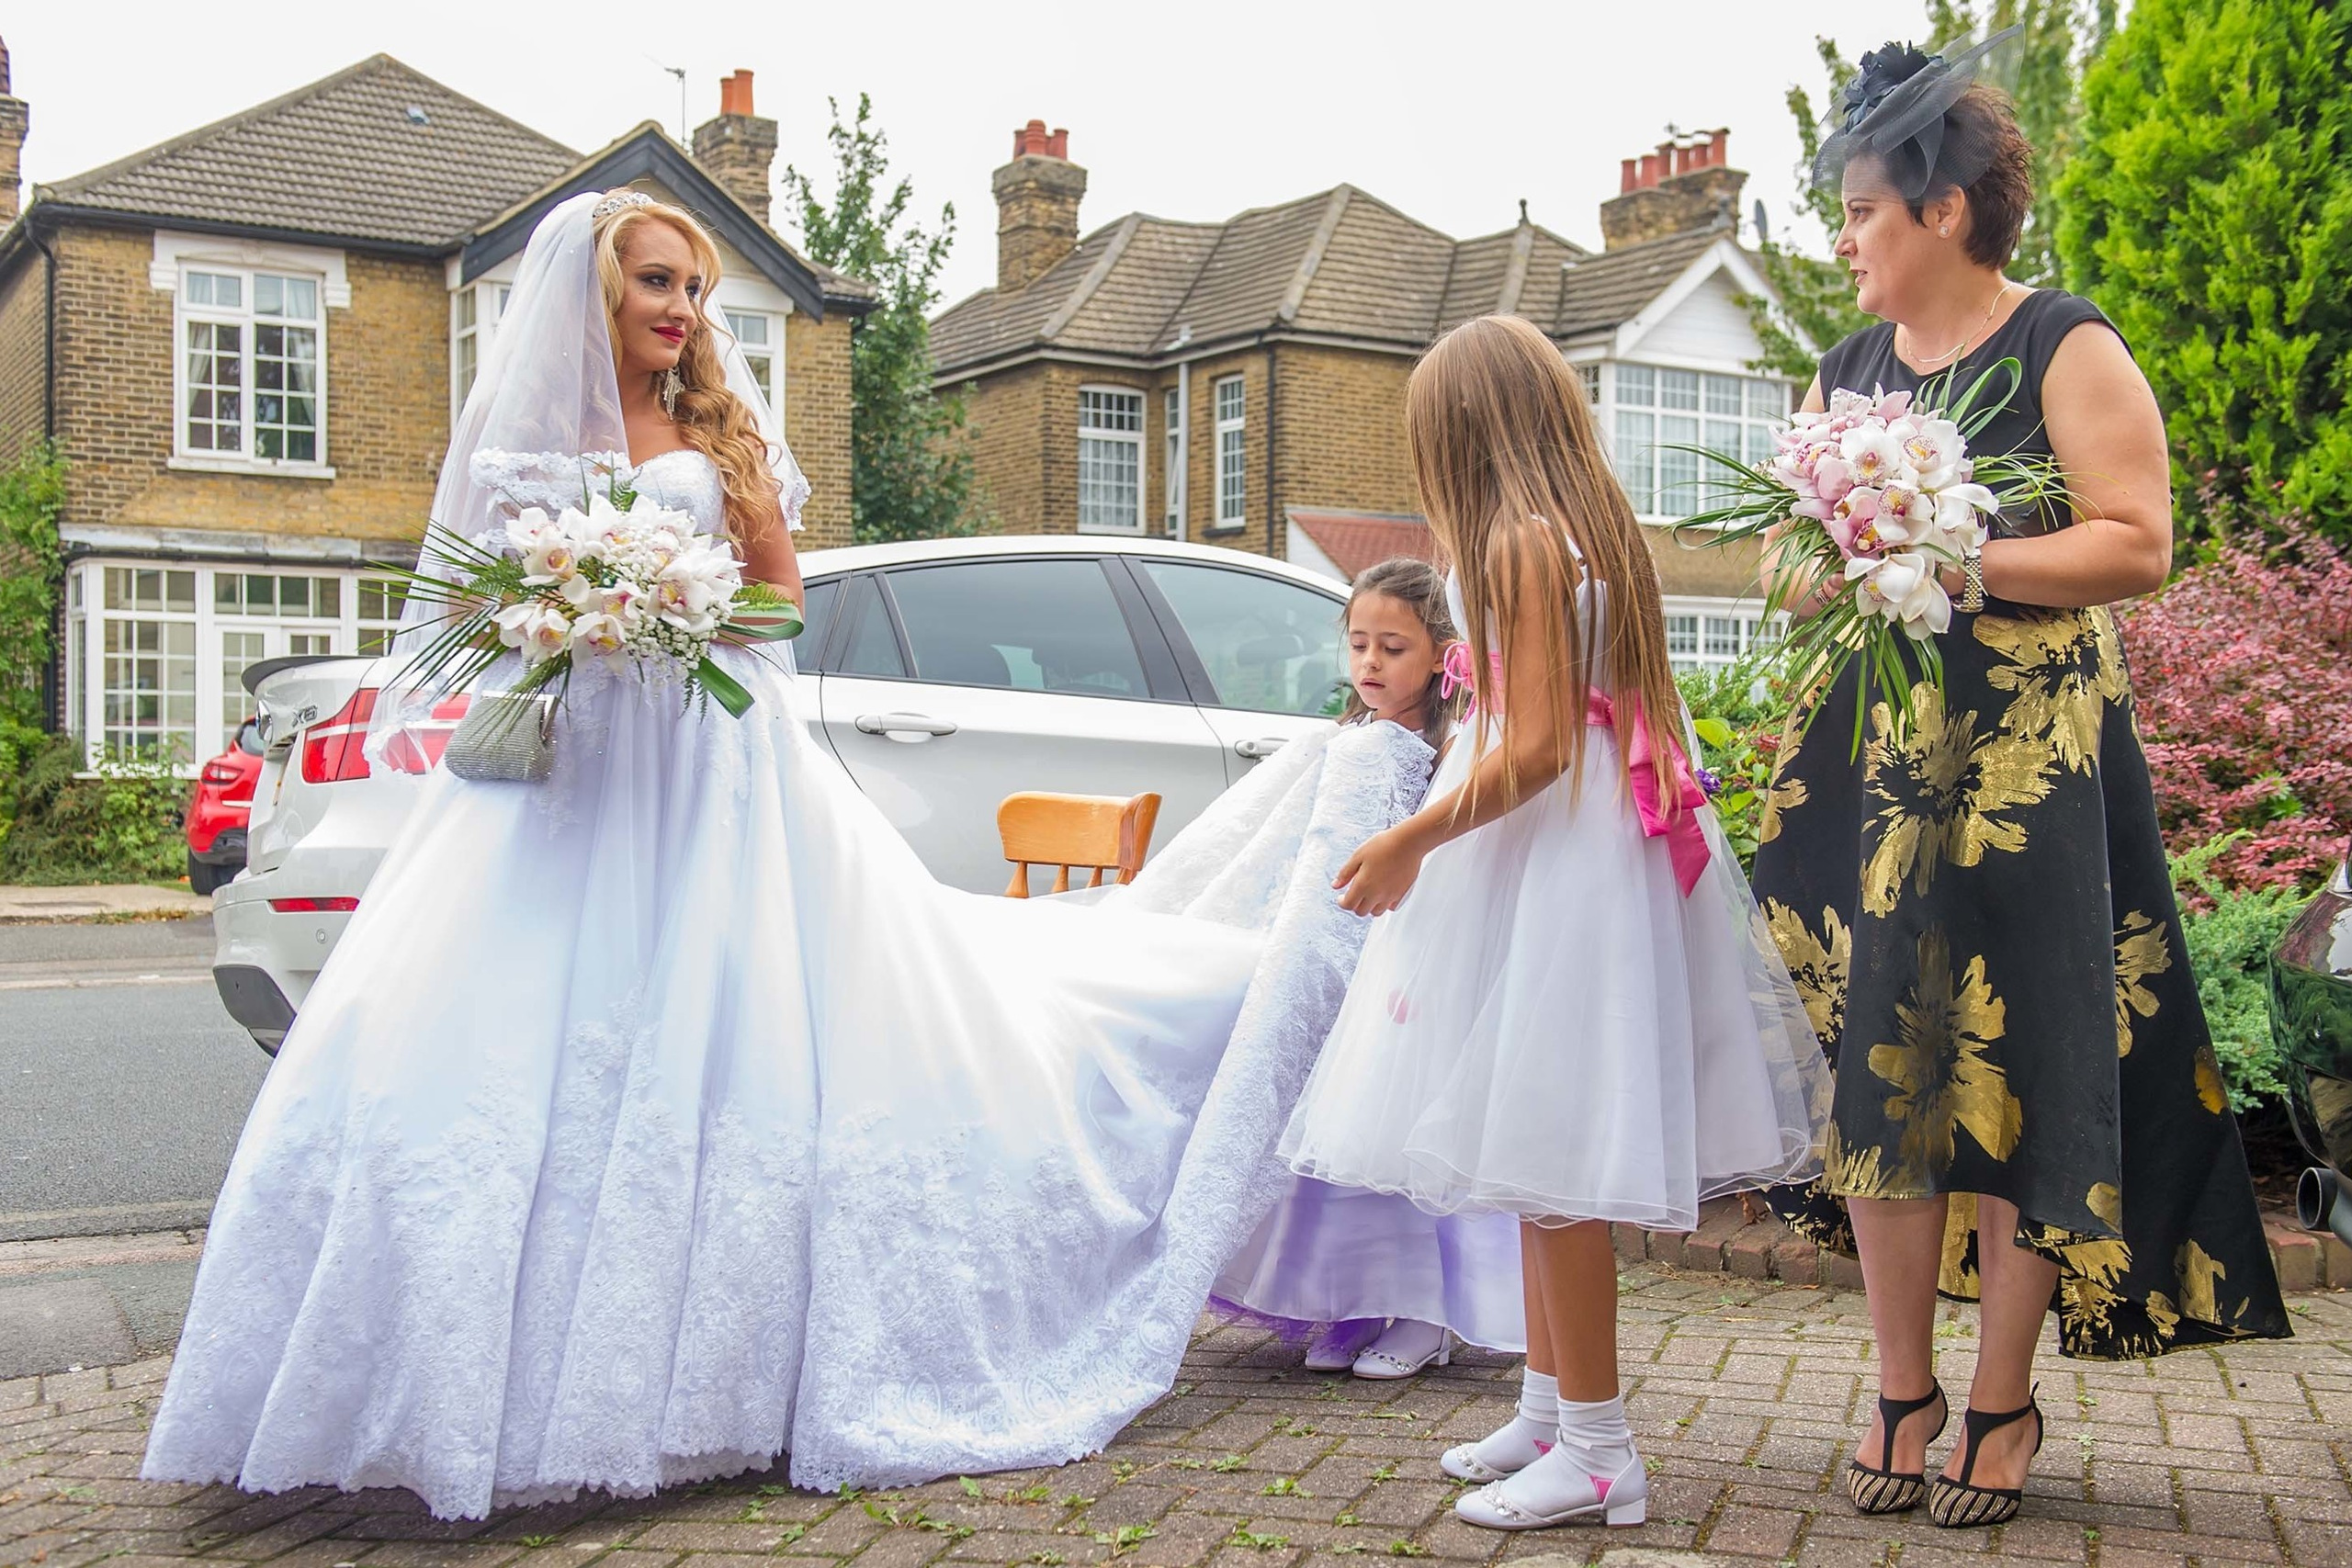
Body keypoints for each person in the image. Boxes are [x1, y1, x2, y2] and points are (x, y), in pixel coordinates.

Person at [139, 189, 1292, 1519]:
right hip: (573, 784)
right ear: (596, 293)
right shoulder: (526, 440)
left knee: (738, 1035)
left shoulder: (718, 431)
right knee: (505, 1050)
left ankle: (720, 1378)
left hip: (711, 768)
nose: (683, 309)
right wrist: (568, 610)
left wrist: (674, 603)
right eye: (658, 283)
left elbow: (784, 599)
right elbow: (465, 605)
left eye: (694, 287)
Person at [1752, 32, 2290, 1530]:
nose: (1843, 238)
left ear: (1936, 211)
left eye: (1861, 211)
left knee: (2020, 1065)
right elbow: (1797, 570)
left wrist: (1951, 553)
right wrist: (1840, 555)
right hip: (1876, 763)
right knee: (1885, 1073)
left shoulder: (2065, 344)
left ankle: (2000, 1394)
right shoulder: (1847, 372)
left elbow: (2138, 539)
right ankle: (1897, 1390)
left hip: (2031, 769)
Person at [1279, 313, 1831, 1532]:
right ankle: (1546, 1402)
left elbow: (1530, 747)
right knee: (1535, 1151)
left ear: (1467, 436)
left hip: (1556, 859)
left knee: (1556, 1154)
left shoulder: (1523, 546)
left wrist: (1410, 838)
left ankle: (1598, 1448)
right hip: (1584, 855)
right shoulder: (1591, 532)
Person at [1116, 558, 1525, 1377]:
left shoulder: (1446, 754)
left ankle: (1426, 1309)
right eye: (1360, 645)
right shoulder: (1352, 744)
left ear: (1445, 657)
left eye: (1394, 649)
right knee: (1341, 1147)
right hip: (1349, 960)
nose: (1370, 665)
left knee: (1404, 1138)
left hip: (1414, 969)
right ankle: (1355, 1297)